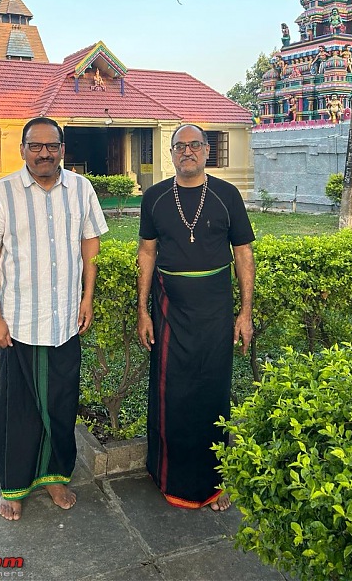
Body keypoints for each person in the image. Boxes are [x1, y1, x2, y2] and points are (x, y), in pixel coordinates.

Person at [0, 117, 108, 521]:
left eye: (52, 145)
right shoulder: (1, 193)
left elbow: (90, 242)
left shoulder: (81, 189)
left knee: (63, 405)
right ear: (23, 149)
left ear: (63, 148)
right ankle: (13, 485)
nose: (44, 152)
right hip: (18, 322)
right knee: (18, 407)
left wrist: (88, 298)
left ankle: (55, 476)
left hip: (65, 320)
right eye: (35, 145)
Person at [137, 124, 255, 512]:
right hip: (170, 307)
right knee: (171, 392)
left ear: (207, 151)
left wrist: (245, 313)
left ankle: (214, 483)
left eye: (195, 145)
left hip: (216, 308)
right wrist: (142, 310)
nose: (187, 152)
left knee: (212, 393)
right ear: (171, 153)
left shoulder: (226, 196)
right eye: (179, 146)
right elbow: (147, 254)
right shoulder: (154, 197)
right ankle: (168, 476)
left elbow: (243, 256)